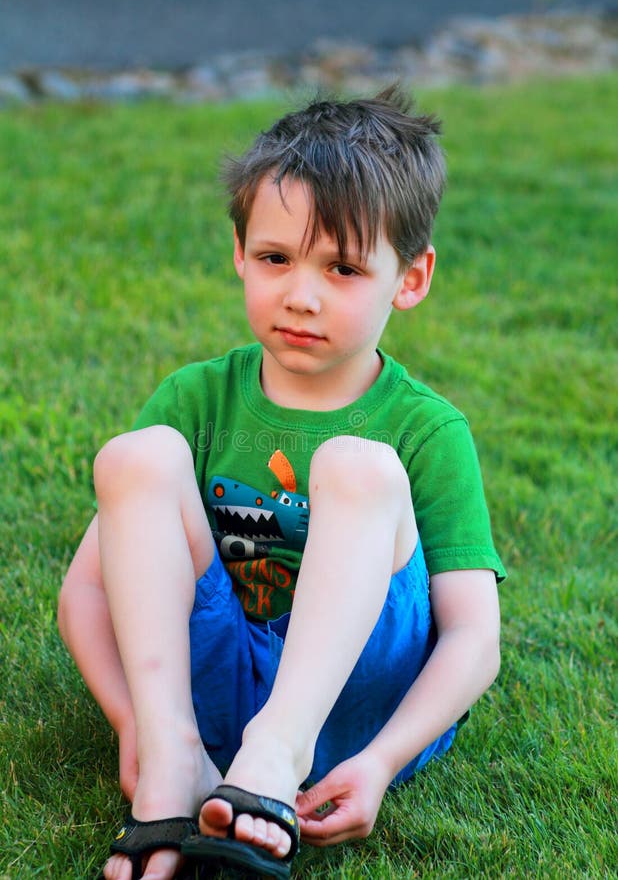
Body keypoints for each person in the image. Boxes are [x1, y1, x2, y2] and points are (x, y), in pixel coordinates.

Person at [58, 85, 505, 880]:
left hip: (349, 713)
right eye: (275, 258)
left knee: (355, 466)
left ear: (410, 276)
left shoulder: (426, 429)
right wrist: (132, 722)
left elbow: (473, 638)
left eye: (342, 267)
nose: (300, 295)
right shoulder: (195, 402)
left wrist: (383, 762)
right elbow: (87, 592)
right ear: (239, 252)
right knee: (137, 455)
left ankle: (276, 747)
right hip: (202, 697)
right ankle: (178, 767)